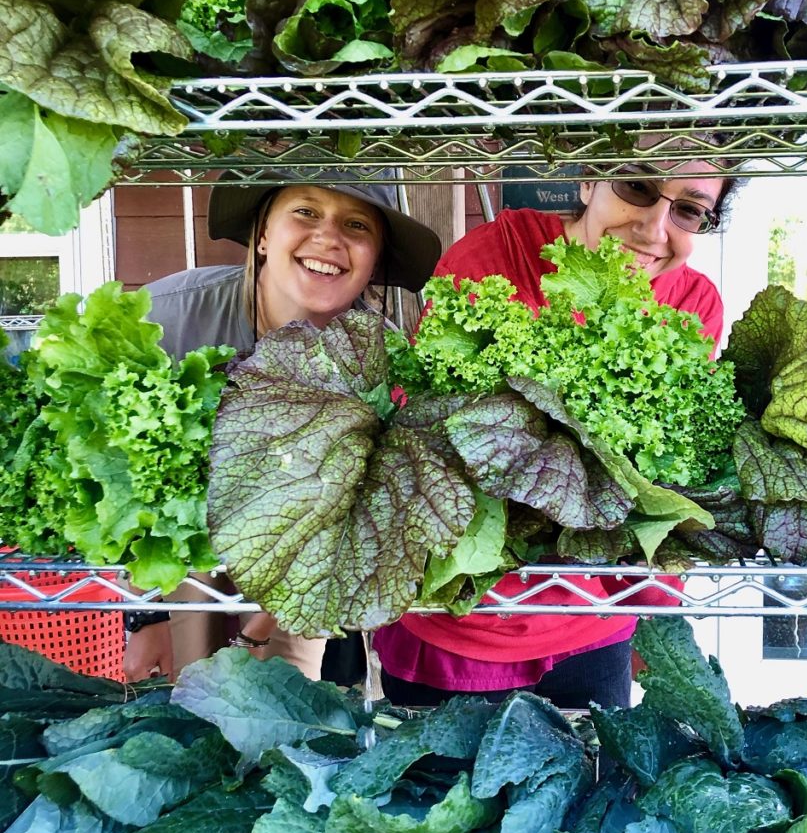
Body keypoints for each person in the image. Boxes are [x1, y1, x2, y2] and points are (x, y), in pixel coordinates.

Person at [372, 159, 739, 710]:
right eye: (636, 188)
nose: (654, 227)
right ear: (589, 181)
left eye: (688, 209)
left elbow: (657, 477)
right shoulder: (498, 256)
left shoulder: (694, 305)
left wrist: (655, 609)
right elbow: (436, 432)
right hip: (462, 621)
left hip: (589, 627)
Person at [122, 171, 441, 684]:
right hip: (186, 563)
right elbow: (118, 481)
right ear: (263, 234)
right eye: (306, 212)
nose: (328, 238)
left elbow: (355, 528)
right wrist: (144, 616)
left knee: (287, 708)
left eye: (356, 224)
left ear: (374, 260)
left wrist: (261, 630)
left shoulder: (383, 360)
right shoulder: (168, 319)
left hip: (306, 571)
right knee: (183, 705)